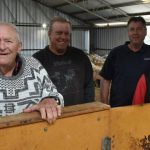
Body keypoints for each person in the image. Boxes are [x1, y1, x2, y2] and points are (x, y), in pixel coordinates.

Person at [0, 22, 64, 123]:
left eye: (8, 41)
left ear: (19, 47)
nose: (2, 47)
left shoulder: (33, 65)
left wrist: (49, 100)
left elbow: (55, 94)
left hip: (33, 135)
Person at [33, 16, 94, 106]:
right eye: (59, 33)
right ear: (49, 34)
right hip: (51, 116)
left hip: (79, 112)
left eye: (67, 33)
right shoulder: (37, 60)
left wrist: (88, 106)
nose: (63, 37)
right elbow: (33, 91)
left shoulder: (80, 56)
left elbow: (89, 84)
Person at [100, 16, 150, 107]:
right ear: (128, 32)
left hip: (145, 109)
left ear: (145, 32)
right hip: (118, 108)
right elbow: (106, 79)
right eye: (132, 29)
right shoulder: (116, 53)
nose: (135, 33)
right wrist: (104, 105)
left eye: (139, 29)